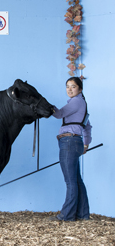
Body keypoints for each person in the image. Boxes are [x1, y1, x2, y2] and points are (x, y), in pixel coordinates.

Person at [50, 76, 92, 221]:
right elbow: (87, 126)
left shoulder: (76, 102)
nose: (69, 89)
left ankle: (66, 215)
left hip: (68, 141)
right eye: (67, 86)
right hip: (75, 141)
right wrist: (86, 143)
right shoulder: (82, 104)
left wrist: (48, 107)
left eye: (73, 86)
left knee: (70, 181)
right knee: (76, 179)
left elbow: (59, 114)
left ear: (80, 89)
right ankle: (82, 214)